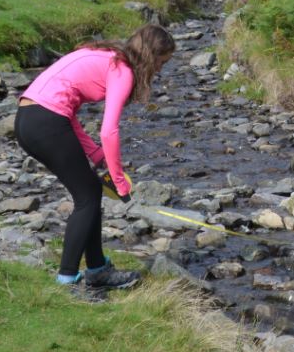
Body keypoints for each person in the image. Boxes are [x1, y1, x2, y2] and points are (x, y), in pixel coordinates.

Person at [15, 24, 176, 297]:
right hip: (45, 122)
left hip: (29, 119)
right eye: (161, 62)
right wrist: (117, 177)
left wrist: (95, 154)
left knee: (89, 191)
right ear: (150, 56)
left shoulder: (108, 56)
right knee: (88, 195)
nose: (159, 70)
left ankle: (97, 269)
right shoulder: (122, 71)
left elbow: (68, 111)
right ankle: (67, 281)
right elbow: (109, 130)